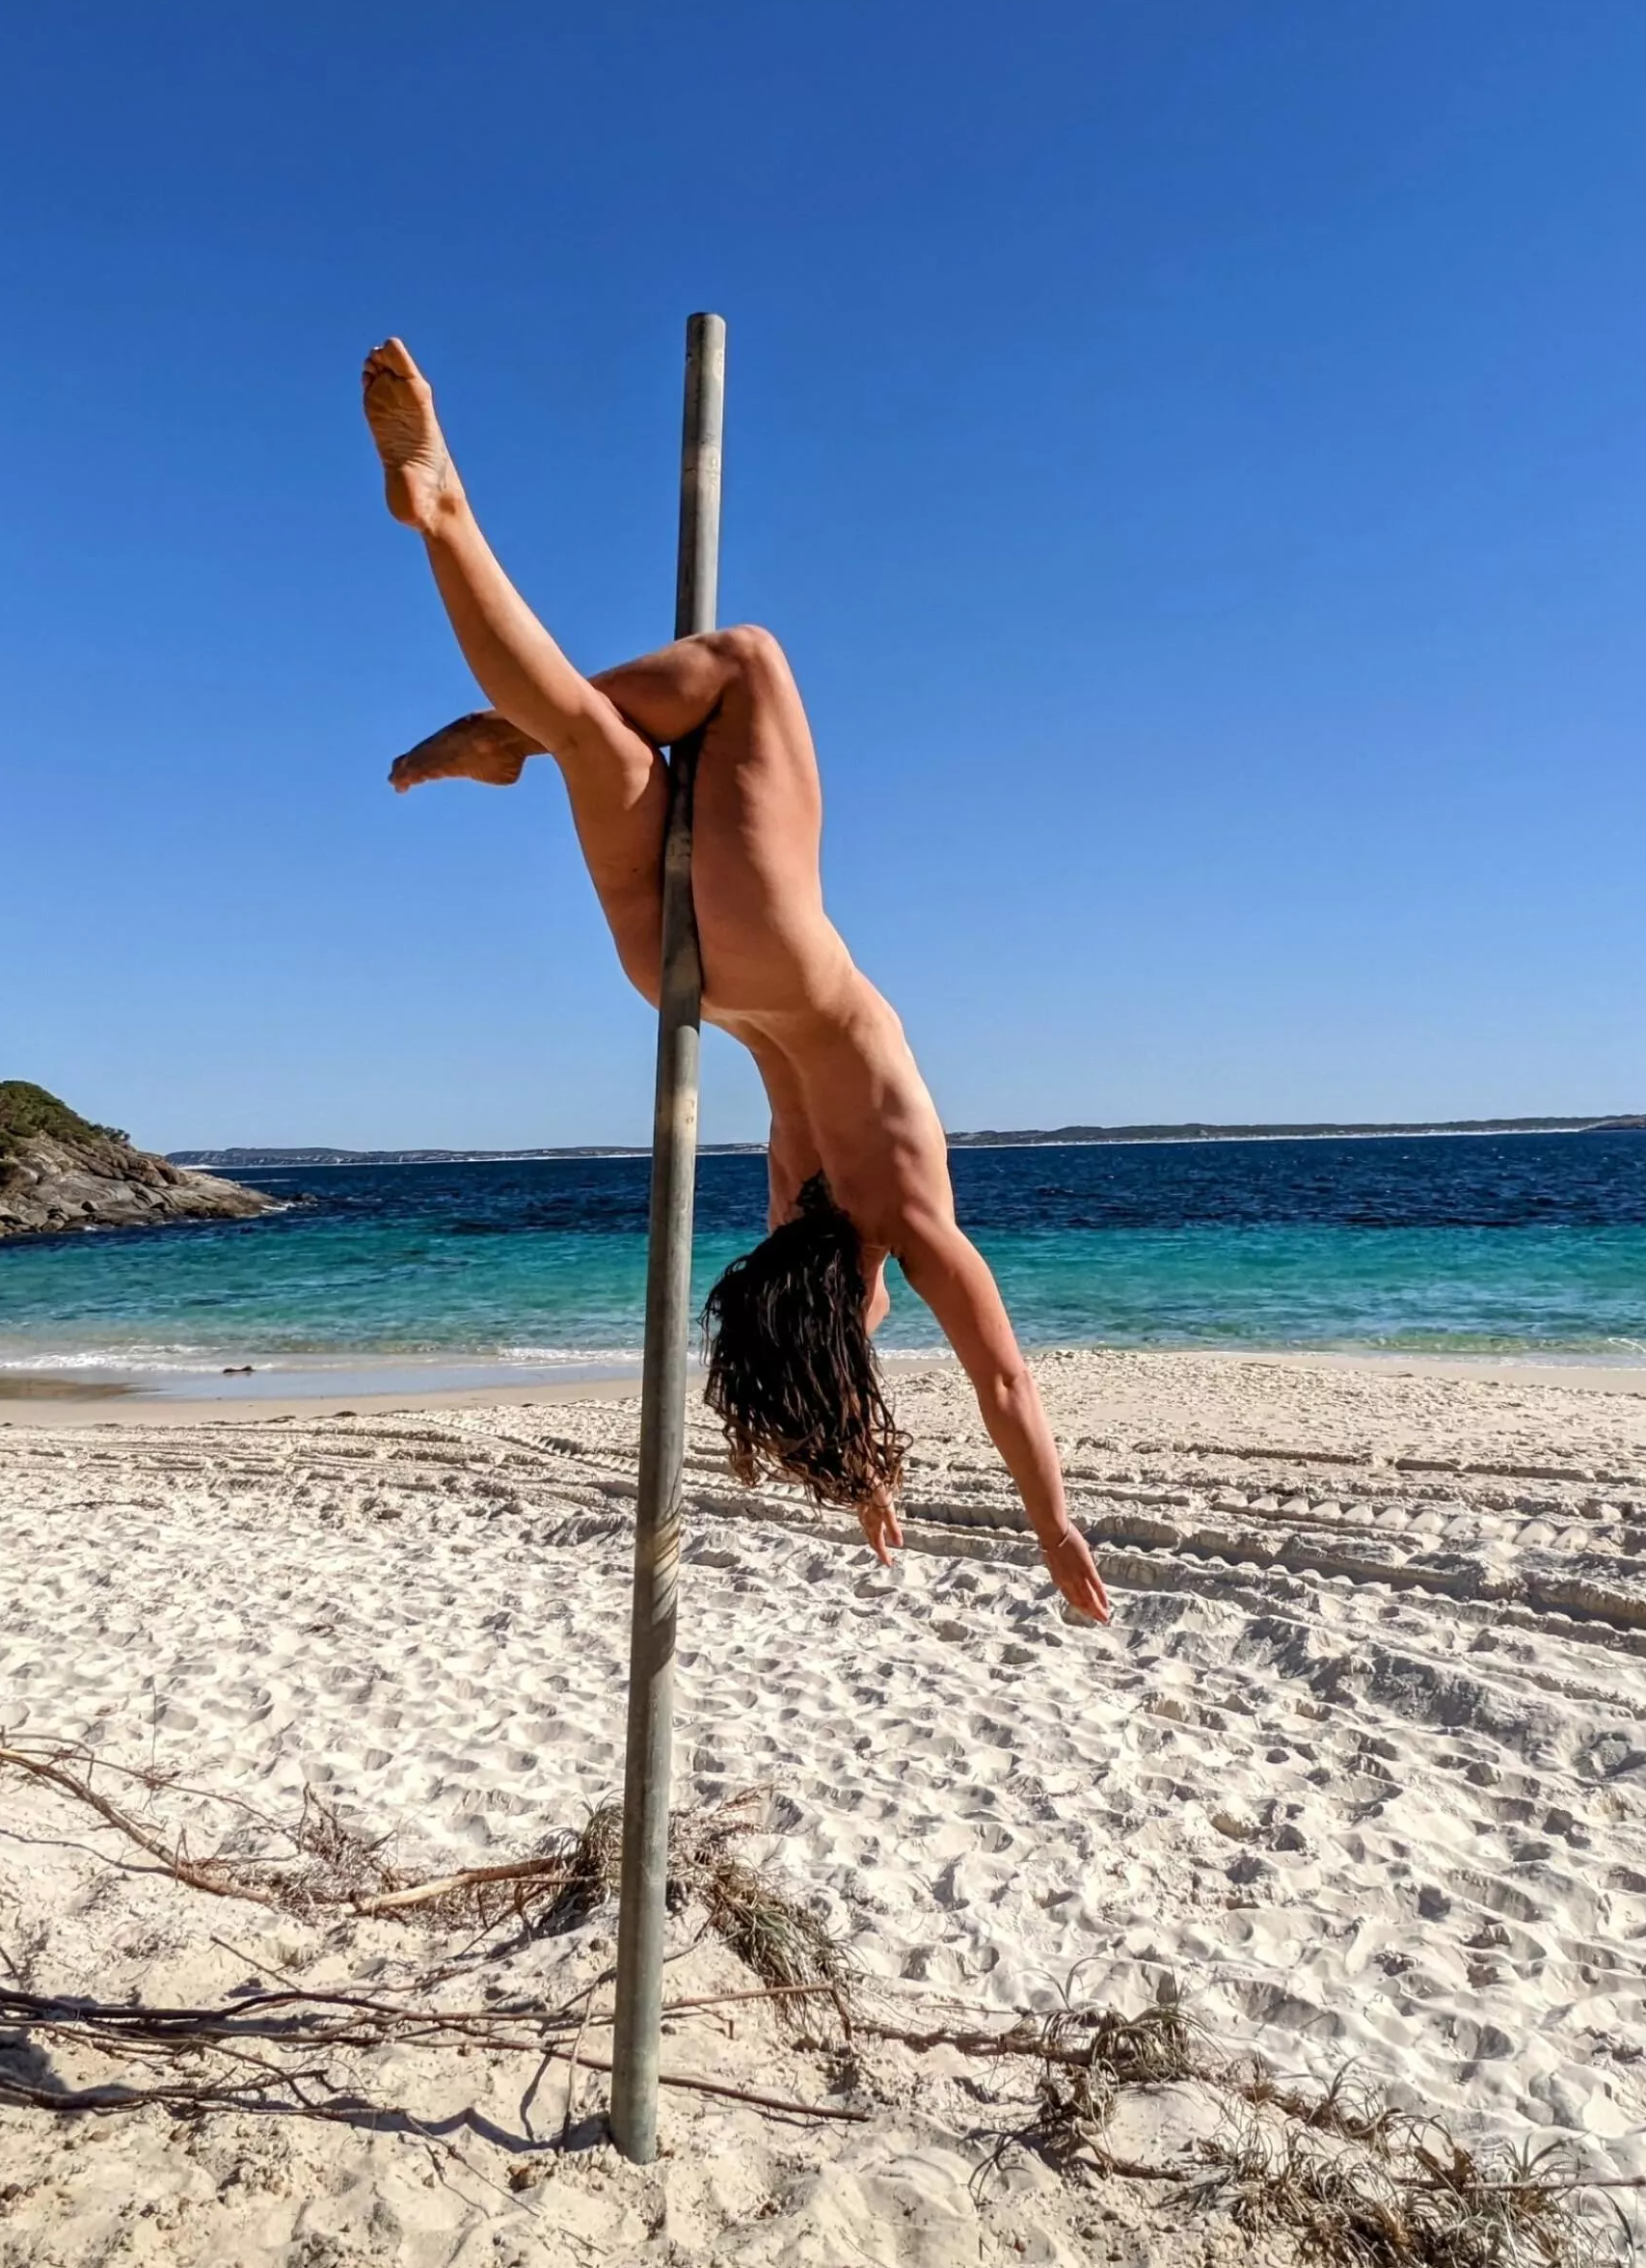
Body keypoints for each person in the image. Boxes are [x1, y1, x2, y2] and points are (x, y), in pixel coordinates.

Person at [363, 337, 1110, 1623]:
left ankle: (476, 614)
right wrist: (857, 1468)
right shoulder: (792, 1225)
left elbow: (1003, 1383)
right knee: (600, 740)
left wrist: (1056, 1525)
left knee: (744, 663)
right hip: (682, 983)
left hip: (773, 946)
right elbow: (841, 1340)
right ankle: (469, 600)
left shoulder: (897, 1210)